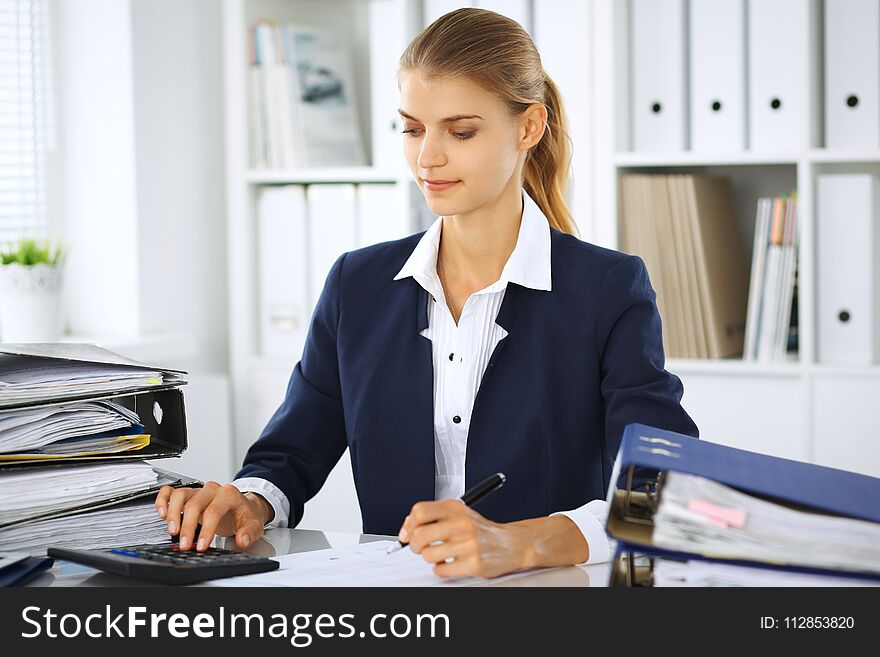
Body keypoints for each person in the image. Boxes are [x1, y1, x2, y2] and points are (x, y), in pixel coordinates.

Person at [154, 8, 698, 579]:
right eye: (412, 128)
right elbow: (290, 453)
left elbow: (662, 486)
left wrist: (522, 544)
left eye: (460, 132)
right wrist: (249, 502)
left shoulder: (606, 289)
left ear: (529, 128)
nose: (427, 157)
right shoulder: (356, 285)